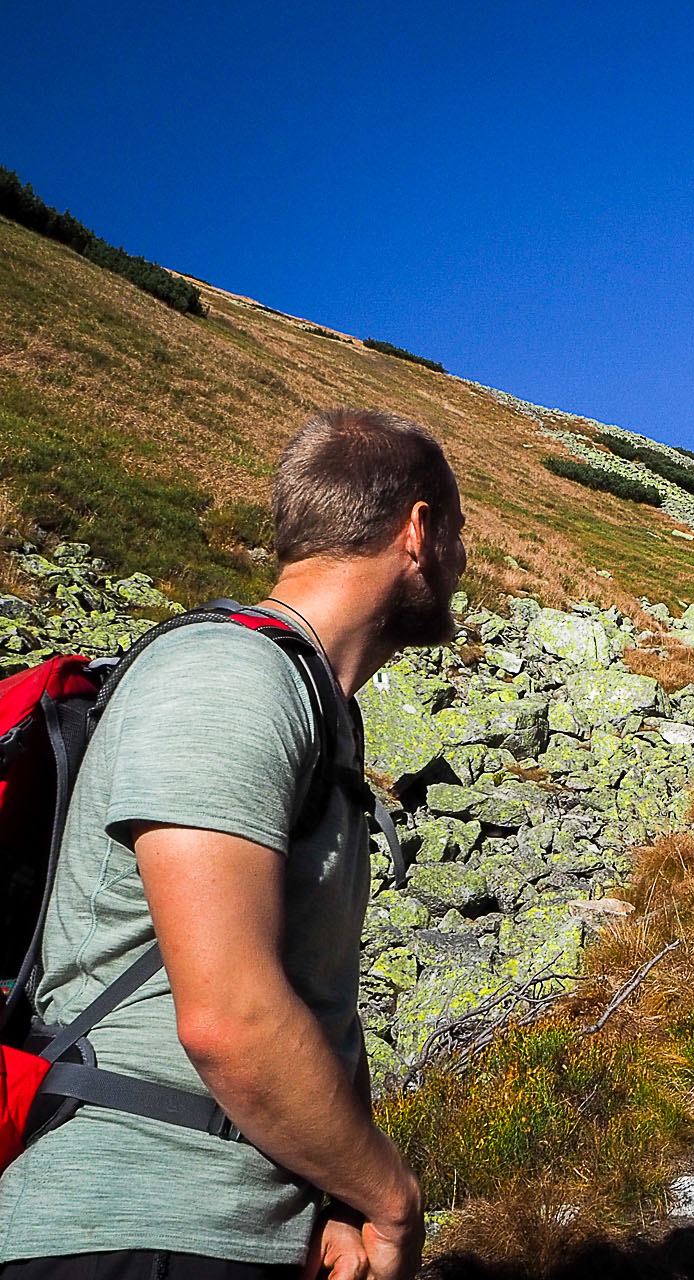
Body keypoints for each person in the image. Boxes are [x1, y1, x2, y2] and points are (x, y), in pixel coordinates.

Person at [0, 409, 465, 1280]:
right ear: (419, 529)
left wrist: (323, 1200)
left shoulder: (312, 708)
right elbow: (228, 1017)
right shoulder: (226, 679)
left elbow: (299, 999)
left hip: (219, 1225)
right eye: (458, 533)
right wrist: (390, 1200)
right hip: (128, 1226)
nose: (461, 565)